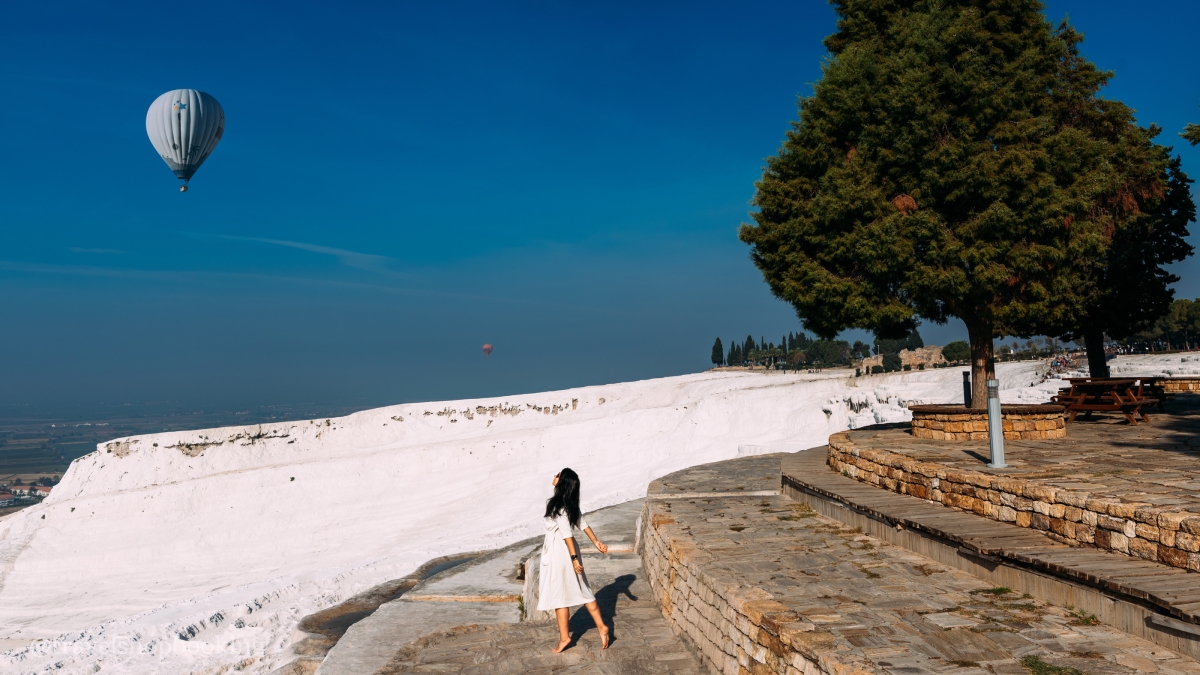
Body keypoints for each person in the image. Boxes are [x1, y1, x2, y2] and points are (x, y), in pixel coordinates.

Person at [538, 467, 610, 653]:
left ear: (562, 483)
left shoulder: (558, 507)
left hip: (560, 552)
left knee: (560, 595)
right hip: (566, 551)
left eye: (559, 476)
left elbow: (567, 535)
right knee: (583, 589)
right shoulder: (569, 504)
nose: (555, 476)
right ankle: (602, 627)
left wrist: (574, 559)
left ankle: (565, 638)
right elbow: (583, 525)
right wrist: (596, 542)